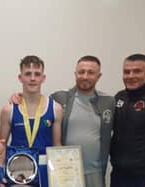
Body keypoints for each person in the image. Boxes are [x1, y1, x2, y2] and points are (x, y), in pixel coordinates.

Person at [11, 55, 115, 187]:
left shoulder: (108, 102)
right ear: (75, 74)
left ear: (99, 76)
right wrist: (19, 96)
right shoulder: (60, 98)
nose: (85, 76)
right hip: (66, 172)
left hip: (95, 172)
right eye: (81, 72)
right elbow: (36, 101)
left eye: (91, 72)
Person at [0, 55, 63, 187]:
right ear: (20, 77)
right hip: (17, 170)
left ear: (43, 78)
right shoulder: (8, 110)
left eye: (37, 74)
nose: (32, 78)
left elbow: (57, 145)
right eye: (28, 74)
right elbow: (2, 146)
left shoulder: (55, 108)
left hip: (45, 170)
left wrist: (64, 175)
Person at [110, 54, 145, 187]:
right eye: (126, 72)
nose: (130, 76)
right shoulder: (119, 97)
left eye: (137, 71)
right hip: (118, 176)